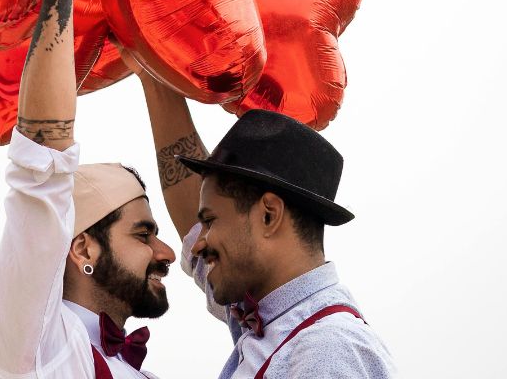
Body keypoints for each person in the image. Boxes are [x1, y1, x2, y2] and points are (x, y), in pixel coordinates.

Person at [122, 54, 397, 377]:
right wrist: (154, 74)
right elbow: (190, 210)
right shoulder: (265, 315)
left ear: (268, 216)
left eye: (211, 221)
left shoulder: (325, 349)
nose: (198, 243)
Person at [0, 0, 175, 378]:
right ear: (82, 249)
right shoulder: (36, 345)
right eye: (142, 234)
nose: (166, 252)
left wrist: (152, 67)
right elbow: (41, 165)